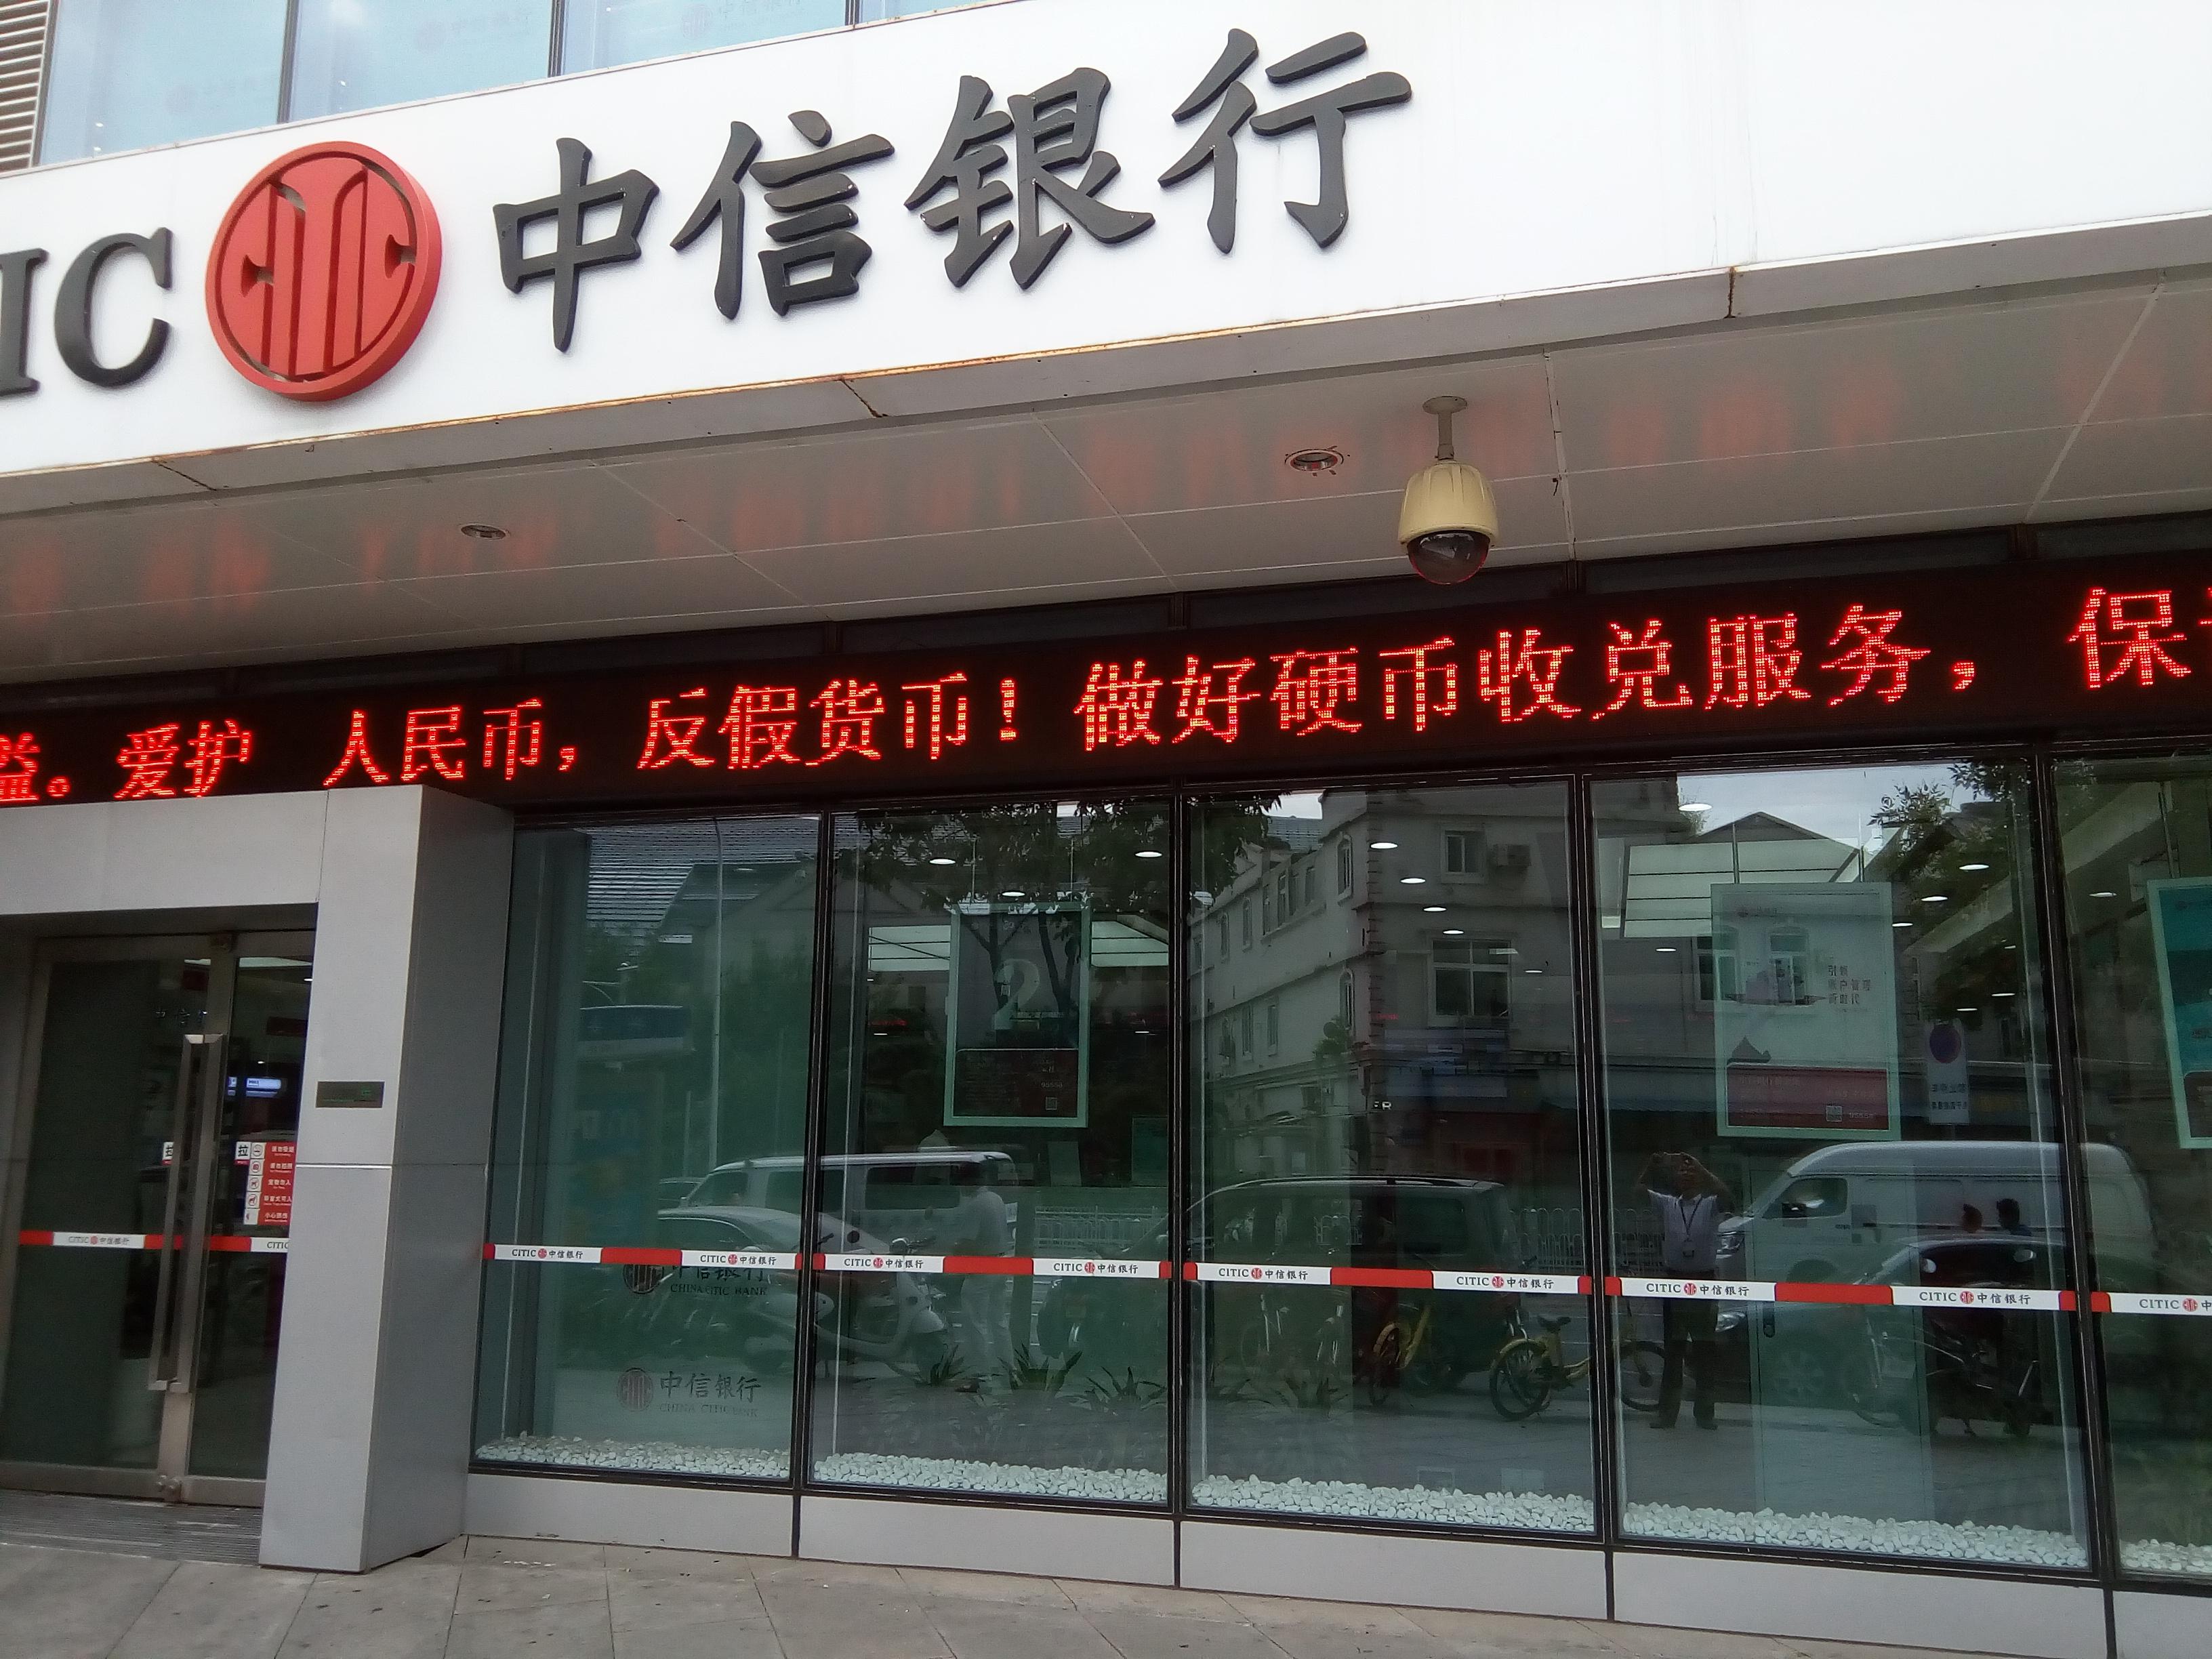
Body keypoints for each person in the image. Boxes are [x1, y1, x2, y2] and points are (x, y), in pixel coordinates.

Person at [1636, 1150, 1734, 1430]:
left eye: (1692, 1171)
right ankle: (1667, 1414)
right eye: (1682, 1171)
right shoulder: (1668, 1204)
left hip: (1703, 1282)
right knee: (1673, 1351)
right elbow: (1638, 1193)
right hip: (1675, 1282)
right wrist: (1651, 1166)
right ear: (1675, 1180)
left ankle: (1705, 1414)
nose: (1687, 1174)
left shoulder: (1710, 1205)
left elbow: (1728, 1198)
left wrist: (1702, 1168)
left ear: (1701, 1178)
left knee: (1704, 1351)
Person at [939, 1160, 1017, 1391]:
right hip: (1001, 1263)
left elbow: (968, 1243)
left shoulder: (976, 1205)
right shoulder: (996, 1199)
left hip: (982, 1268)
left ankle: (981, 1376)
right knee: (999, 1322)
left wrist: (949, 1248)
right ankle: (1010, 1372)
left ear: (968, 1182)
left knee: (975, 1322)